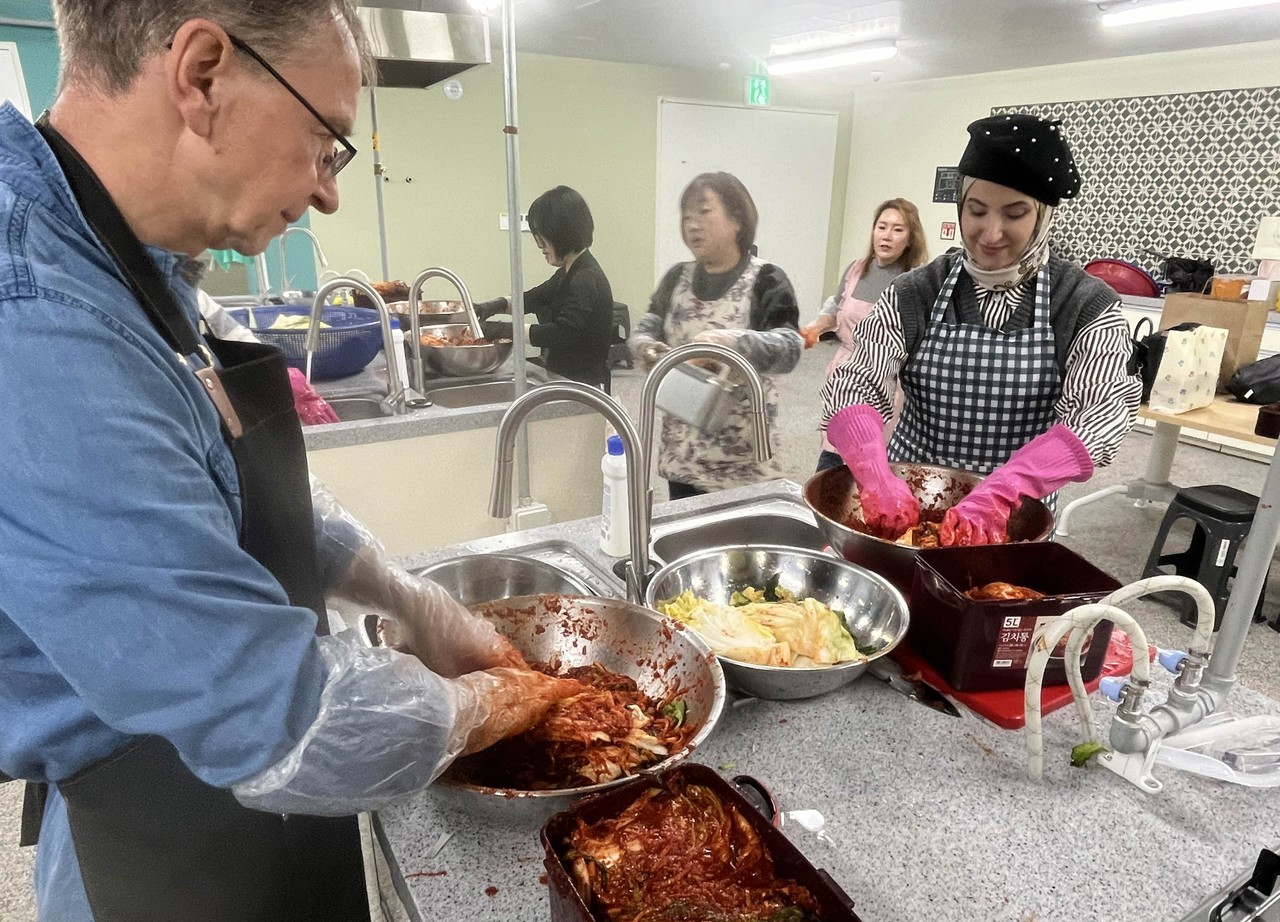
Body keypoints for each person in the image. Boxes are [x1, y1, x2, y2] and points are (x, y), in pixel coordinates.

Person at [0, 5, 578, 921]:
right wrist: (489, 704)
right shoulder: (37, 327)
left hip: (239, 789)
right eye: (326, 141)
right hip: (156, 840)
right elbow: (290, 726)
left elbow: (227, 477)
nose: (328, 192)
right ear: (201, 74)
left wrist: (406, 596)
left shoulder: (119, 251)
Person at [821, 113, 1141, 547]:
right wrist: (875, 474)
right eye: (976, 211)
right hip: (910, 507)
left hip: (1014, 518)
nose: (990, 234)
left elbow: (1097, 417)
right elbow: (856, 383)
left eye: (1014, 213)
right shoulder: (917, 291)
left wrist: (1005, 490)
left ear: (1044, 215)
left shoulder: (1083, 303)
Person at [629, 171, 802, 498]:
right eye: (686, 215)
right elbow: (645, 329)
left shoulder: (765, 278)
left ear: (737, 220)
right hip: (682, 452)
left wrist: (728, 343)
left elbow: (789, 348)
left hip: (742, 459)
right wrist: (648, 349)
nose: (692, 224)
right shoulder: (676, 278)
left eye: (704, 212)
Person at [800, 198, 928, 471]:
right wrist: (815, 328)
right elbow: (834, 309)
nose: (887, 235)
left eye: (897, 229)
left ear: (910, 238)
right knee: (833, 455)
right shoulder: (856, 270)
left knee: (871, 462)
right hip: (846, 375)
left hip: (887, 383)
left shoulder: (916, 281)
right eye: (882, 227)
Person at [477, 185, 614, 390]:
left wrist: (505, 330)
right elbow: (533, 299)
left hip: (583, 386)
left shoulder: (584, 278)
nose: (540, 246)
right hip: (566, 378)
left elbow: (562, 334)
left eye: (543, 238)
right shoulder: (571, 270)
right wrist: (491, 306)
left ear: (562, 233)